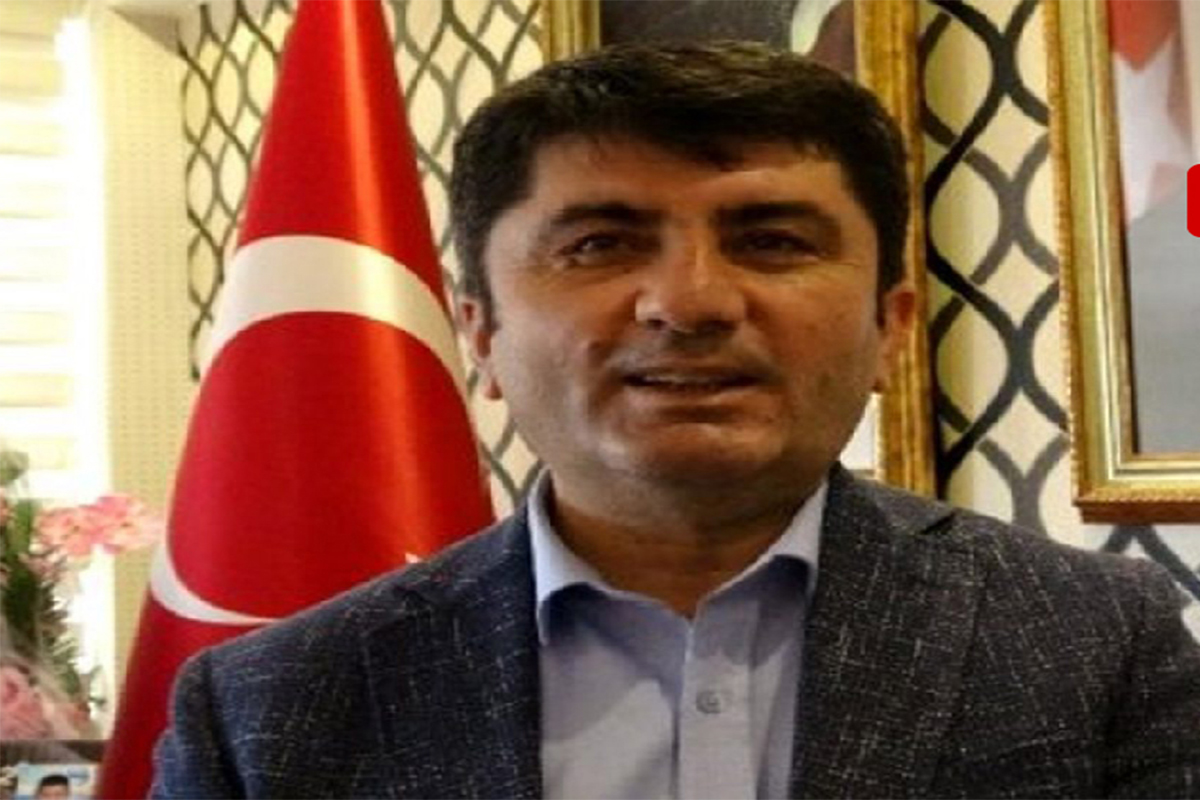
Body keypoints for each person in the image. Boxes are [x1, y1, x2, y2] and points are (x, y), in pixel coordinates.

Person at [150, 42, 1200, 798]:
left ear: (889, 325)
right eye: (600, 245)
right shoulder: (268, 711)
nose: (690, 302)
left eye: (773, 240)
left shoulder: (1095, 640)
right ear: (481, 332)